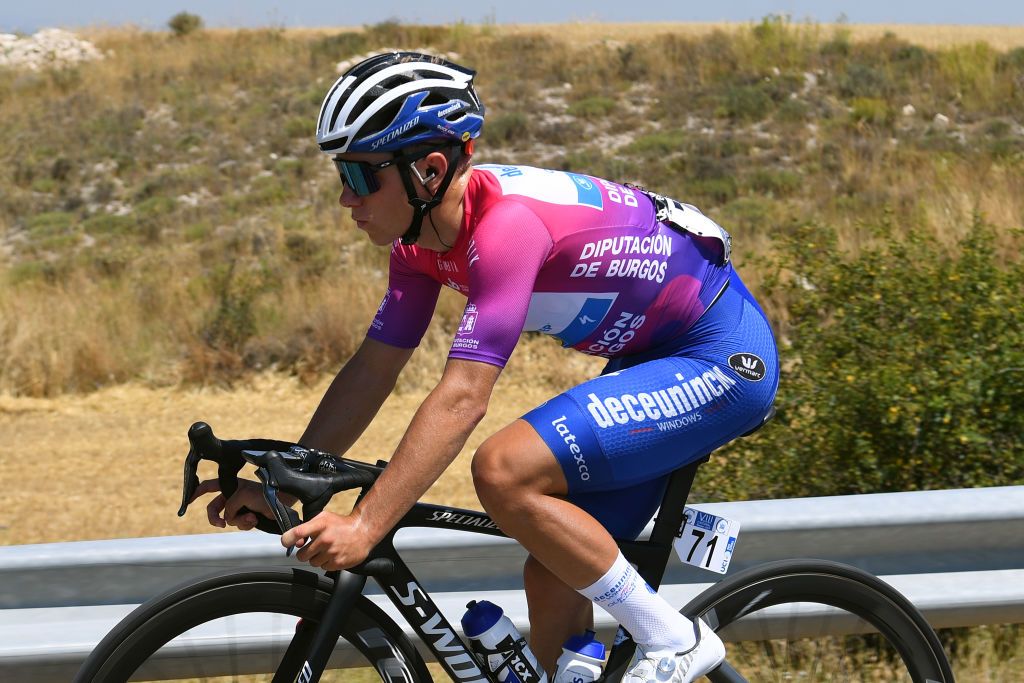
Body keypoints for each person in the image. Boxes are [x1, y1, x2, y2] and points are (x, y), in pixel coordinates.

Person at [195, 52, 778, 683]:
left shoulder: (507, 230)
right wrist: (283, 485)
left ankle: (673, 639)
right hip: (647, 356)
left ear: (430, 170)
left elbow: (464, 397)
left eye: (360, 176)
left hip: (717, 357)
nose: (344, 197)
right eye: (341, 174)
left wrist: (367, 523)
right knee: (554, 569)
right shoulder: (419, 244)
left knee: (503, 471)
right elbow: (373, 369)